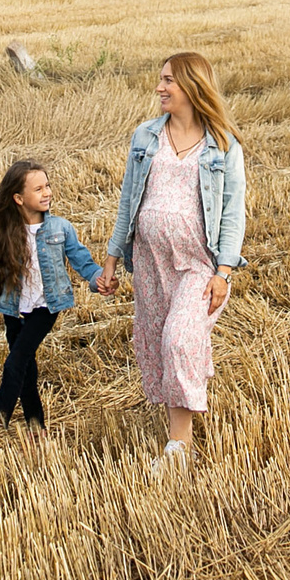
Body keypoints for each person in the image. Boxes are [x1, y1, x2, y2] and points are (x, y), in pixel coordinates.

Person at [99, 52, 246, 474]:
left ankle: (179, 449)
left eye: (168, 81)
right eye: (160, 80)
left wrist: (224, 272)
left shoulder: (223, 147)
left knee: (179, 339)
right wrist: (111, 258)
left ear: (192, 87)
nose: (160, 88)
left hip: (197, 264)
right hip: (148, 260)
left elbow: (234, 214)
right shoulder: (146, 137)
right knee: (159, 344)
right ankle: (177, 440)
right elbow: (128, 200)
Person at [0, 160, 103, 435]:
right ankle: (35, 423)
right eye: (38, 188)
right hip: (14, 308)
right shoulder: (5, 232)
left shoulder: (60, 228)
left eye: (48, 186)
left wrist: (98, 277)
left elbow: (80, 258)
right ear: (18, 198)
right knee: (26, 364)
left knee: (16, 359)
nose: (47, 193)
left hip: (46, 306)